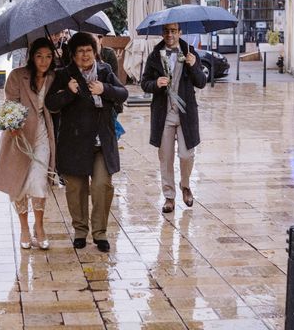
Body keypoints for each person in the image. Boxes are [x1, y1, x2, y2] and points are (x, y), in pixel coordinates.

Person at [46, 32, 128, 252]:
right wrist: (69, 93)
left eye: (89, 50)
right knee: (76, 189)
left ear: (95, 52)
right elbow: (51, 103)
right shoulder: (63, 75)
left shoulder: (105, 71)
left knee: (102, 185)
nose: (85, 55)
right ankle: (80, 230)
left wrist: (105, 89)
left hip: (102, 141)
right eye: (80, 51)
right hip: (74, 142)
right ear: (72, 55)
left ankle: (100, 233)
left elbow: (123, 93)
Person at [0, 38, 56, 250]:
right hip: (18, 137)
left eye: (48, 56)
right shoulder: (17, 76)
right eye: (39, 56)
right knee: (18, 184)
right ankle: (24, 229)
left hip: (42, 136)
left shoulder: (55, 77)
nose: (44, 61)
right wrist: (13, 123)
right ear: (31, 57)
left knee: (38, 181)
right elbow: (10, 105)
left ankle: (39, 227)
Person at [140, 23, 206, 213]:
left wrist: (193, 66)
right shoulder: (154, 55)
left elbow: (201, 82)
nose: (170, 34)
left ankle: (185, 185)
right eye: (167, 31)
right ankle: (169, 197)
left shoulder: (190, 52)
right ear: (163, 33)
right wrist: (156, 83)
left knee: (187, 154)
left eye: (173, 31)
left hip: (186, 114)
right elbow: (144, 83)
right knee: (165, 158)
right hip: (164, 115)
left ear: (180, 32)